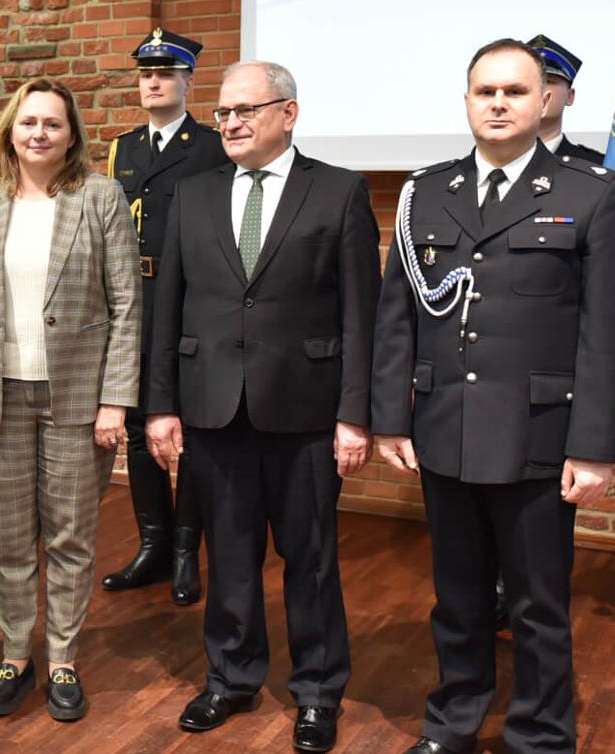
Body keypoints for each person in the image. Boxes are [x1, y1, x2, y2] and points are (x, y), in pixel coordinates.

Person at [371, 39, 615, 754]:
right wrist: (392, 419)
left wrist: (594, 447)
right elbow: (397, 316)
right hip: (446, 429)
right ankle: (452, 722)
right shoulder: (427, 191)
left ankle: (542, 736)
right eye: (484, 91)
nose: (498, 103)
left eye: (515, 92)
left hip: (537, 437)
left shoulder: (592, 193)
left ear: (544, 99)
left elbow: (608, 336)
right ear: (466, 100)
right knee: (456, 602)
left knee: (538, 606)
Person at [144, 60, 377, 752]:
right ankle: (231, 677)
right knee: (231, 557)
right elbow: (168, 309)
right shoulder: (192, 194)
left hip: (306, 413)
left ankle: (316, 691)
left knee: (309, 559)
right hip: (214, 410)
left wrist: (354, 414)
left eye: (248, 109)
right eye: (223, 113)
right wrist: (159, 405)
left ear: (289, 113)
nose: (232, 123)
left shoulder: (337, 192)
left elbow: (362, 313)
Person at [0, 79, 140, 722]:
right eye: (29, 122)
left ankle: (62, 656)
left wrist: (115, 400)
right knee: (9, 539)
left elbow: (125, 305)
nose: (39, 134)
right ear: (11, 129)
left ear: (72, 134)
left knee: (69, 536)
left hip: (78, 398)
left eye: (53, 124)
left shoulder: (100, 197)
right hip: (0, 395)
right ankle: (14, 651)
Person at [100, 28, 229, 606]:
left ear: (187, 81)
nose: (153, 81)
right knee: (135, 426)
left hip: (190, 302)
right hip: (134, 302)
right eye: (145, 73)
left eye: (165, 73)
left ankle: (184, 550)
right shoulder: (123, 148)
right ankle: (152, 545)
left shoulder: (210, 145)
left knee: (191, 429)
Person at [526, 35, 604, 164]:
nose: (538, 89)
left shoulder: (598, 167)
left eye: (548, 81)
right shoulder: (484, 162)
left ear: (570, 96)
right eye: (528, 82)